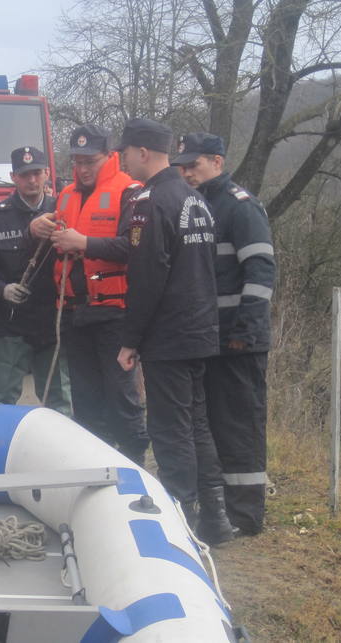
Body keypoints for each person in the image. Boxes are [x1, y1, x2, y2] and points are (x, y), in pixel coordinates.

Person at [115, 118, 234, 545]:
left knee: (169, 428)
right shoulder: (194, 198)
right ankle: (215, 517)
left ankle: (180, 518)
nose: (122, 158)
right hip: (201, 327)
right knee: (197, 423)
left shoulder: (152, 201)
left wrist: (131, 339)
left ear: (142, 152)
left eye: (125, 151)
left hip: (169, 333)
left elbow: (147, 276)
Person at [173, 132, 275, 536]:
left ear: (217, 161)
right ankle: (218, 511)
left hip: (237, 341)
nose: (187, 172)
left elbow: (261, 272)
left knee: (239, 427)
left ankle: (246, 516)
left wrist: (247, 330)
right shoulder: (194, 205)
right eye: (183, 166)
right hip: (206, 338)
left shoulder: (239, 207)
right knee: (212, 425)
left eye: (194, 165)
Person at [30, 125, 148, 465]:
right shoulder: (65, 196)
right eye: (77, 161)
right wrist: (35, 228)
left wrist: (85, 243)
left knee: (121, 395)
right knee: (84, 398)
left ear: (108, 157)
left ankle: (134, 461)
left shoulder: (131, 193)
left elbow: (135, 247)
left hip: (114, 313)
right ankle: (95, 463)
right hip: (74, 314)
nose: (82, 169)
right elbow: (49, 239)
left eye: (90, 162)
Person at [0, 146, 71, 413]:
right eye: (25, 175)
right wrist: (2, 289)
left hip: (53, 324)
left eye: (37, 173)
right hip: (10, 323)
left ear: (47, 173)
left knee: (60, 402)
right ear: (14, 177)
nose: (32, 180)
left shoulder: (64, 211)